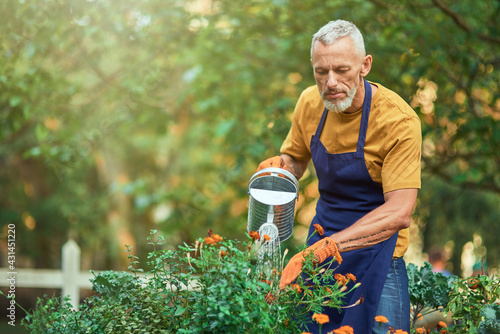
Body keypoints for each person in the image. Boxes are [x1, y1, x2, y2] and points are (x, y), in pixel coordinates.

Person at [258, 20, 421, 333]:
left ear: (365, 65)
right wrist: (281, 168)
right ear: (312, 67)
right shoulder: (309, 103)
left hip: (379, 257)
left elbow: (400, 212)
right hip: (319, 249)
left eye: (342, 70)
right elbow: (296, 160)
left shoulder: (397, 121)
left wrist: (325, 249)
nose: (330, 82)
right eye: (321, 71)